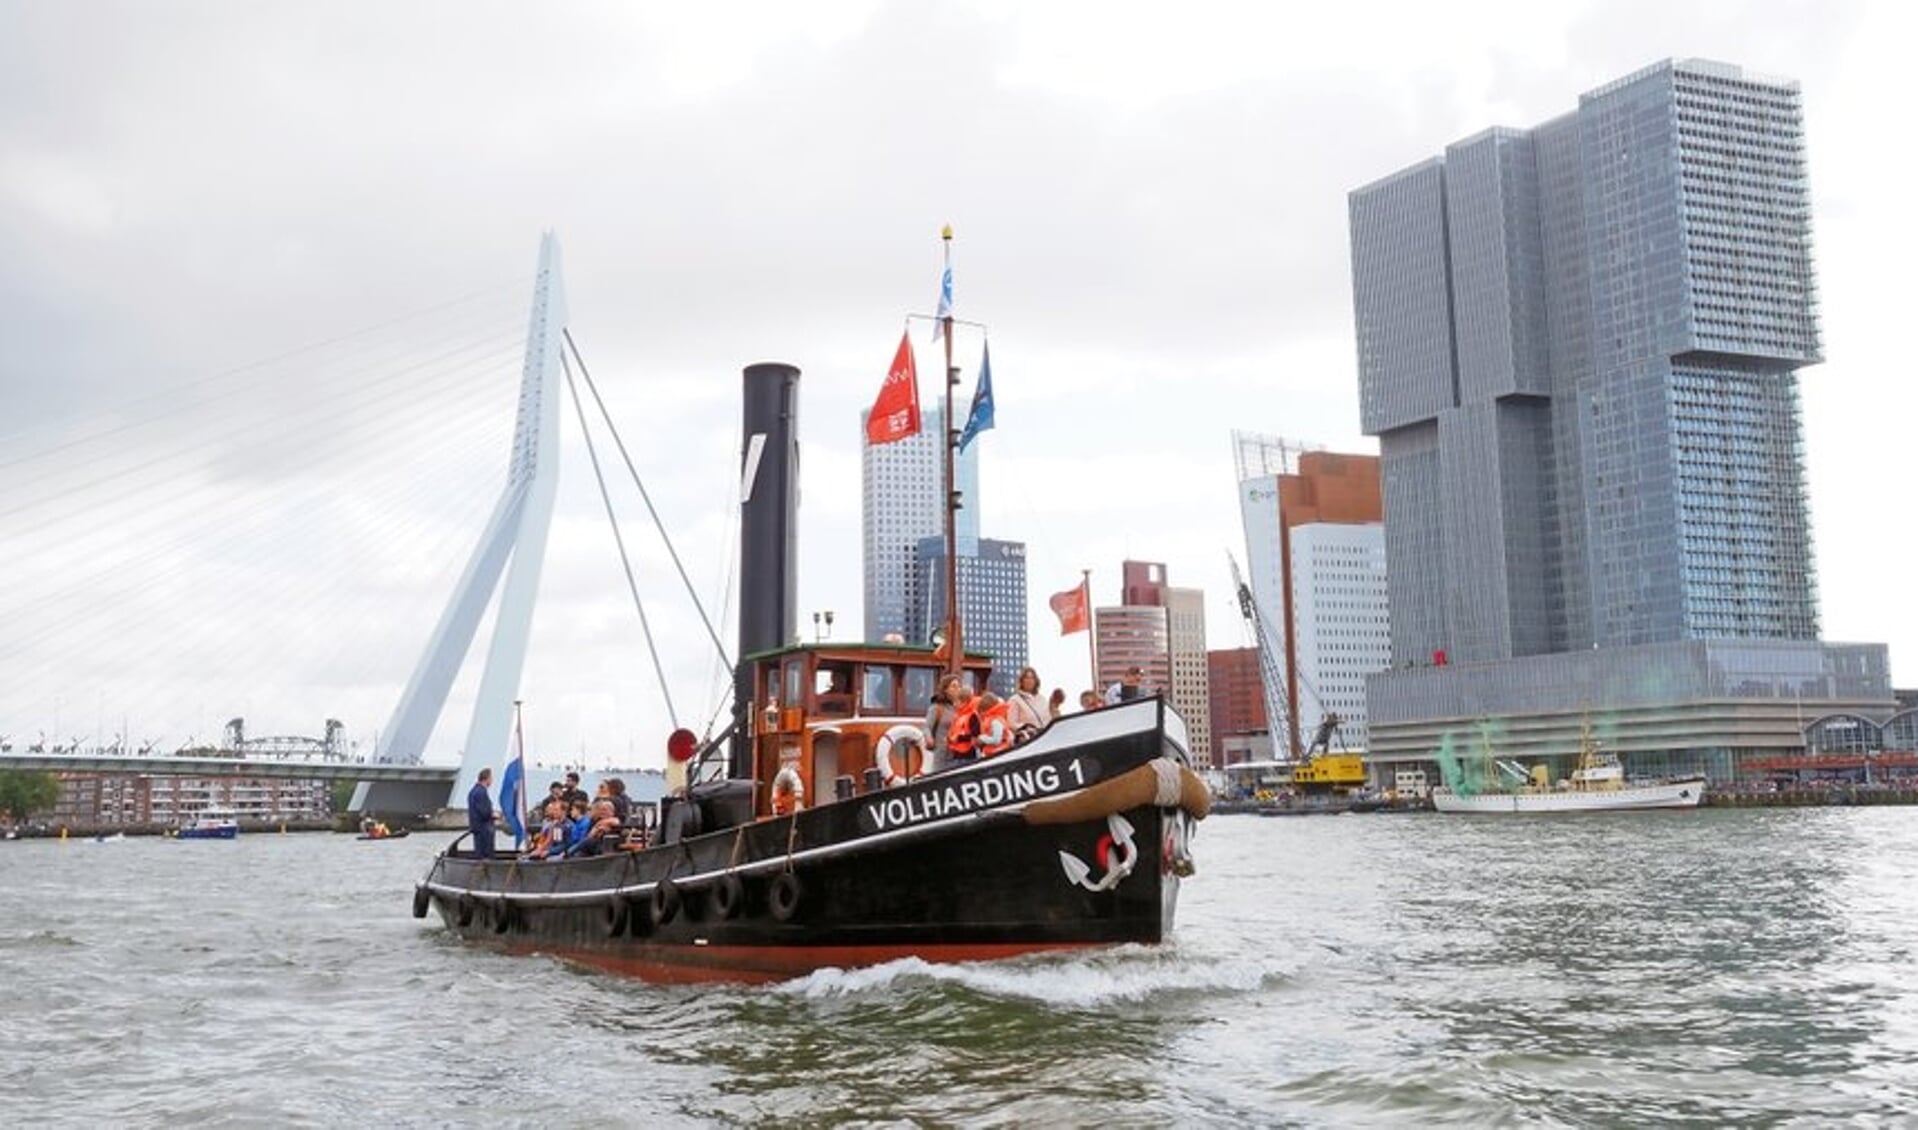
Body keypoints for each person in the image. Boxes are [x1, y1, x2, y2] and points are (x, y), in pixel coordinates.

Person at [925, 673, 976, 771]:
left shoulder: (963, 709)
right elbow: (927, 727)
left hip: (960, 755)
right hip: (942, 754)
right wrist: (929, 738)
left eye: (959, 686)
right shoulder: (937, 708)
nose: (958, 689)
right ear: (945, 689)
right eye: (954, 686)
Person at [1007, 667, 1048, 743]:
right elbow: (1011, 723)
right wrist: (1025, 727)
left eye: (1032, 678)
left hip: (1044, 739)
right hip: (1028, 740)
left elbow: (1048, 719)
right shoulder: (1015, 700)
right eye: (1026, 678)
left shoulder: (1043, 699)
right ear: (1021, 681)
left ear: (1036, 681)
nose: (1029, 681)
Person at [467, 768, 498, 860]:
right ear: (486, 778)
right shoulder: (481, 792)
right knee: (485, 855)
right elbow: (484, 813)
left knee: (479, 853)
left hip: (477, 828)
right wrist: (494, 815)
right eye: (491, 778)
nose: (492, 781)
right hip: (484, 830)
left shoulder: (473, 791)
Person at [974, 693, 1015, 757]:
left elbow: (996, 740)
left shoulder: (995, 721)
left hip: (998, 754)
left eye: (981, 710)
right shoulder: (994, 719)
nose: (980, 714)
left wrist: (982, 738)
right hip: (994, 753)